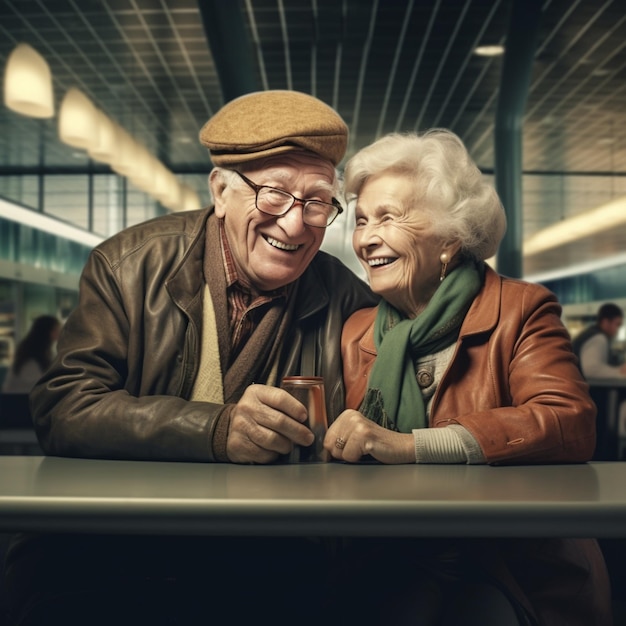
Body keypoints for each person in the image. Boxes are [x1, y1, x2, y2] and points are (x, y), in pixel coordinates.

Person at [3, 90, 378, 626]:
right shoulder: (126, 264)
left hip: (265, 562)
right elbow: (63, 408)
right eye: (273, 194)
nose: (295, 225)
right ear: (220, 191)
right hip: (106, 552)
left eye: (316, 202)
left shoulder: (346, 296)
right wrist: (216, 430)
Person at [320, 130, 612, 625]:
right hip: (388, 553)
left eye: (389, 218)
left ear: (451, 240)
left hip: (510, 562)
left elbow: (570, 422)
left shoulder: (521, 309)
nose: (366, 237)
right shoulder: (356, 333)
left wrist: (410, 445)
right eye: (362, 220)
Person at [1, 315, 61, 395]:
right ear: (49, 331)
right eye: (57, 329)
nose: (60, 332)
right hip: (18, 401)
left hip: (17, 400)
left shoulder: (41, 352)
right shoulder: (31, 359)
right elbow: (36, 386)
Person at [572, 302, 626, 379]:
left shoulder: (591, 333)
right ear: (606, 322)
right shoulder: (598, 338)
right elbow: (591, 370)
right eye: (617, 325)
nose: (617, 330)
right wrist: (620, 372)